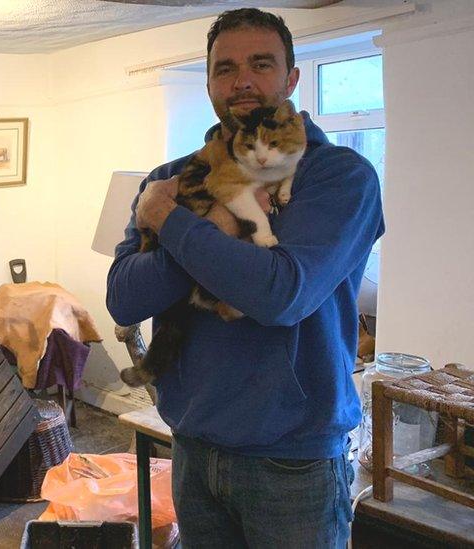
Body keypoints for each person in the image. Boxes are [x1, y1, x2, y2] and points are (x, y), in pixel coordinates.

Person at [106, 8, 384, 548]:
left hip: (293, 464)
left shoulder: (339, 176)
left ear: (292, 78)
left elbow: (281, 294)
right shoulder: (172, 177)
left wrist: (168, 221)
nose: (242, 81)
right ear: (209, 81)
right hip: (192, 445)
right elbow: (123, 298)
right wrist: (207, 228)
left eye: (261, 64)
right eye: (224, 68)